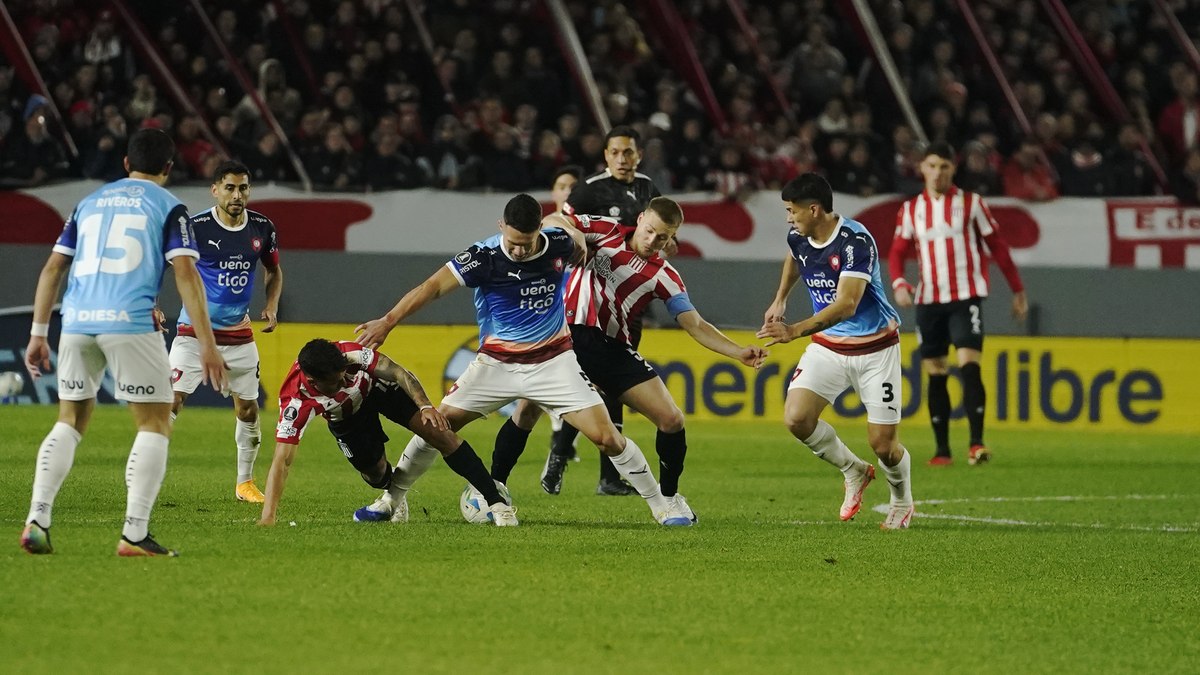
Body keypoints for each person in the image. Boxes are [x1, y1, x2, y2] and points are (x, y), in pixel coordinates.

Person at [355, 194, 692, 526]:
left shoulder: (558, 245)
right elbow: (432, 287)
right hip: (495, 365)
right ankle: (390, 501)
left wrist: (574, 235)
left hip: (553, 363)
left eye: (526, 243)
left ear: (539, 233)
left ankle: (662, 508)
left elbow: (567, 227)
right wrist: (388, 321)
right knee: (437, 428)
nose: (518, 250)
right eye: (512, 242)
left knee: (607, 438)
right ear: (501, 226)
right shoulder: (483, 256)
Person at [491, 197, 767, 520]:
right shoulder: (605, 231)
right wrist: (573, 231)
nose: (652, 241)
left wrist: (738, 351)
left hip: (609, 347)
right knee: (527, 409)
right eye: (650, 231)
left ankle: (670, 496)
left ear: (672, 238)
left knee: (672, 419)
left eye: (662, 237)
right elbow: (553, 217)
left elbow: (694, 323)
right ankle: (493, 487)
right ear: (641, 219)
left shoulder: (665, 275)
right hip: (564, 334)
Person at [20, 128, 227, 557]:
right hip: (130, 322)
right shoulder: (171, 206)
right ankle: (134, 533)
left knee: (69, 422)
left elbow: (52, 269)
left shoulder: (88, 203)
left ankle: (37, 519)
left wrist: (39, 333)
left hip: (76, 321)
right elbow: (187, 276)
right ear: (169, 168)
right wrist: (207, 344)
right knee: (155, 423)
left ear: (126, 165)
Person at [758, 173, 914, 530]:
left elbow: (846, 304)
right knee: (797, 418)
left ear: (814, 209)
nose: (788, 218)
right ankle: (853, 471)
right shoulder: (800, 234)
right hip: (828, 347)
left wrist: (794, 330)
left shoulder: (855, 241)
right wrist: (780, 299)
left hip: (875, 349)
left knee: (884, 445)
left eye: (791, 211)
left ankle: (902, 501)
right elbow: (795, 257)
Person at [258, 338, 516, 527]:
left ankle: (498, 504)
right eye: (336, 382)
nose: (345, 381)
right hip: (347, 420)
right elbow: (283, 460)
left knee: (440, 433)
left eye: (345, 374)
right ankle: (393, 497)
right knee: (375, 473)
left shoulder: (350, 355)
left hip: (379, 390)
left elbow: (397, 372)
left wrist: (425, 405)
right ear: (313, 382)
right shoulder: (296, 403)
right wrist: (268, 516)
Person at [889, 142, 1028, 466]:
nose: (938, 173)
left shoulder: (972, 204)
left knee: (969, 365)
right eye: (933, 166)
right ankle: (942, 451)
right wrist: (899, 283)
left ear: (954, 169)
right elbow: (897, 251)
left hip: (966, 296)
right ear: (922, 168)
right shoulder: (911, 210)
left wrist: (1017, 290)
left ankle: (976, 444)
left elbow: (998, 246)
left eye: (945, 167)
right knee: (935, 372)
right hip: (929, 299)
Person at [548, 125, 664, 495]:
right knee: (588, 383)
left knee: (611, 387)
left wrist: (668, 242)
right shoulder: (590, 190)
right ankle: (560, 453)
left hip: (627, 302)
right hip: (588, 300)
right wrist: (576, 236)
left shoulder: (647, 187)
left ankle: (607, 477)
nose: (622, 159)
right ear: (606, 155)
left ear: (638, 155)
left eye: (629, 152)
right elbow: (558, 224)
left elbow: (660, 226)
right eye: (616, 152)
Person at [167, 160, 283, 503]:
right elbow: (167, 267)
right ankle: (148, 470)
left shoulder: (262, 227)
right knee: (172, 401)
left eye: (243, 188)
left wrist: (272, 304)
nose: (237, 195)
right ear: (215, 189)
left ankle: (244, 483)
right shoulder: (196, 227)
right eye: (230, 188)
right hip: (193, 333)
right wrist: (154, 303)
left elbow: (274, 271)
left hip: (239, 335)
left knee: (248, 409)